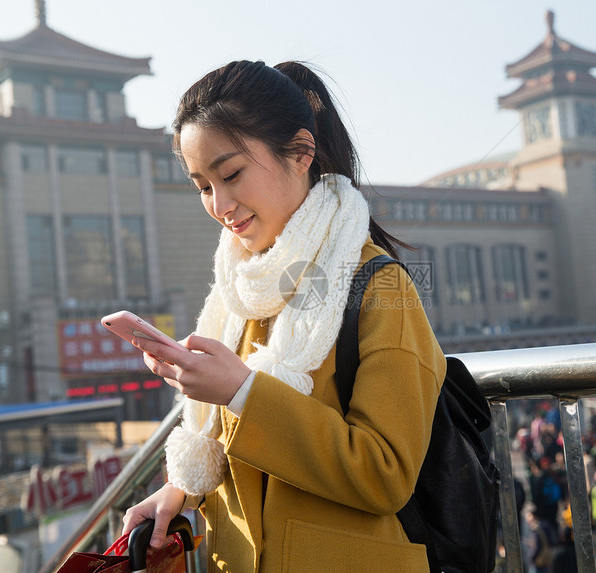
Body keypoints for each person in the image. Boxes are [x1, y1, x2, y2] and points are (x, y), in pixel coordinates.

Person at [120, 60, 446, 572]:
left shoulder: (379, 286)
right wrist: (181, 495)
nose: (220, 204)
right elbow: (250, 474)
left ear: (301, 152)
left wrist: (241, 393)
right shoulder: (240, 294)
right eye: (203, 185)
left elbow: (386, 472)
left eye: (230, 174)